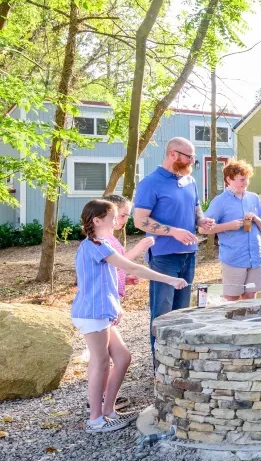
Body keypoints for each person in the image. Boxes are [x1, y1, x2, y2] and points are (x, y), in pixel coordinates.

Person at [73, 199, 188, 433]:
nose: (117, 220)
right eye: (113, 217)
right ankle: (95, 420)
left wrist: (116, 303)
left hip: (101, 312)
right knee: (100, 362)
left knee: (123, 357)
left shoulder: (103, 244)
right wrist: (170, 279)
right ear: (97, 221)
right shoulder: (96, 245)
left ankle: (109, 411)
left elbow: (106, 279)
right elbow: (132, 267)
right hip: (92, 313)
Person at [132, 137, 214, 353]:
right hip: (163, 257)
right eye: (189, 157)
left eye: (193, 157)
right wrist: (174, 232)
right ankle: (159, 363)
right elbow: (140, 220)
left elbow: (196, 209)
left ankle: (177, 360)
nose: (192, 161)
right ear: (172, 154)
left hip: (189, 254)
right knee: (163, 312)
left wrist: (201, 221)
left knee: (182, 313)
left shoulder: (190, 181)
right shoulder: (150, 183)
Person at [203, 160, 261, 300]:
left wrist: (256, 219)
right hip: (234, 259)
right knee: (231, 299)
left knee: (250, 298)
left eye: (247, 179)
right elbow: (203, 229)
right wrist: (229, 225)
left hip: (255, 258)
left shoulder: (254, 198)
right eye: (242, 179)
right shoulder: (220, 202)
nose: (246, 183)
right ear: (229, 179)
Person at [103, 194, 155, 303]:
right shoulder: (102, 240)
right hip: (104, 299)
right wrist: (138, 248)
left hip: (112, 296)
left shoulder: (112, 238)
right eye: (122, 215)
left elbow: (112, 272)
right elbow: (113, 266)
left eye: (127, 216)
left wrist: (124, 280)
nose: (125, 220)